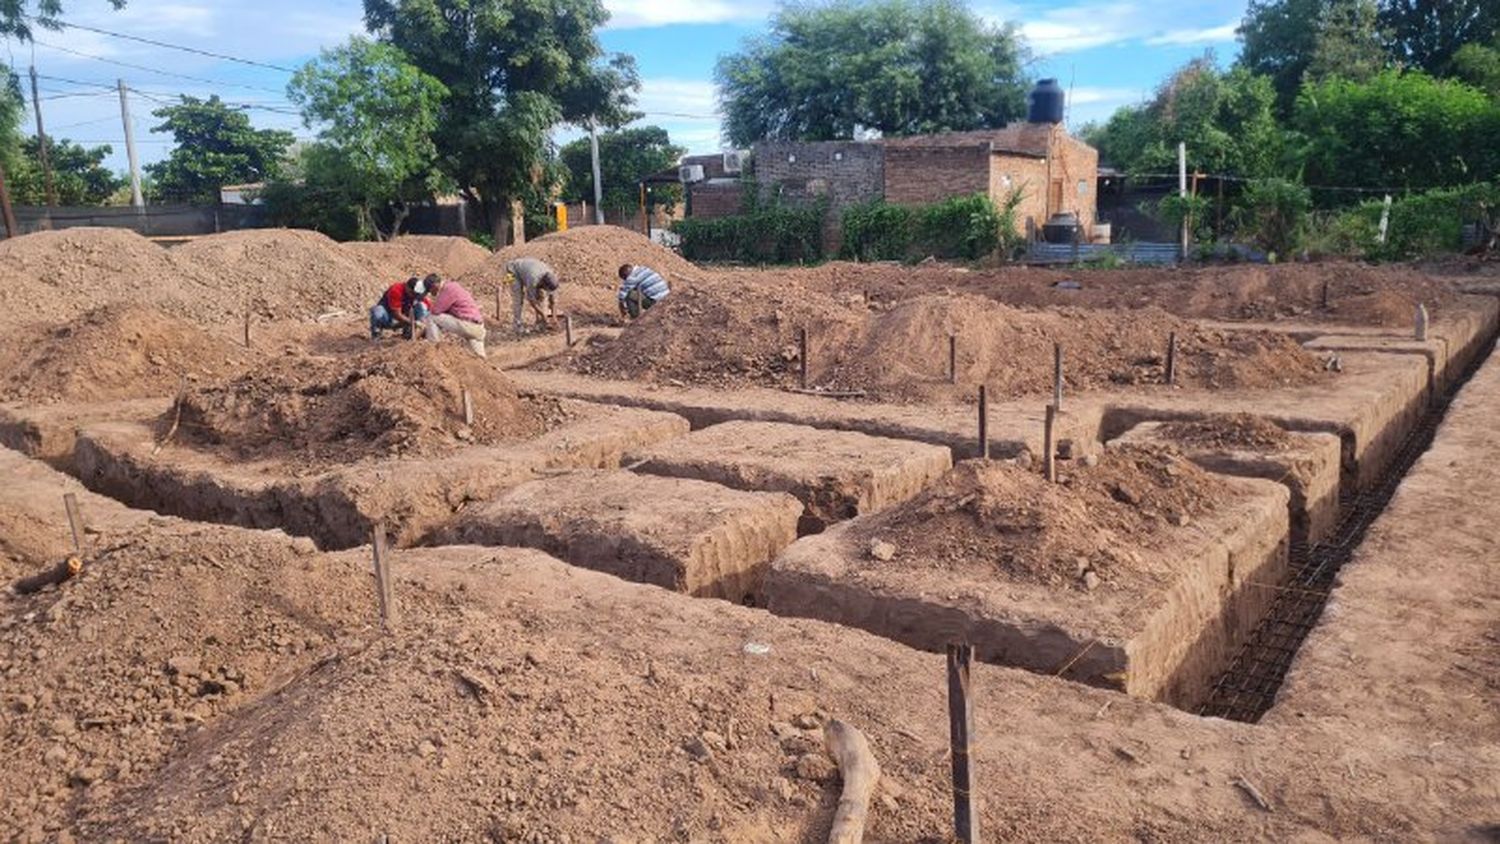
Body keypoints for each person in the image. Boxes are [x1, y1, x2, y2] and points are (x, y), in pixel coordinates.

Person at [423, 273, 488, 358]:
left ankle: (434, 348)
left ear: (434, 285)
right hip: (478, 328)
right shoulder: (453, 286)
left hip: (469, 325)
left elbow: (436, 311)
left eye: (429, 290)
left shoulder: (448, 289)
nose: (430, 293)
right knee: (481, 359)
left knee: (431, 317)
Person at [507, 257, 560, 334]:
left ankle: (539, 323)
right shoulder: (533, 279)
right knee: (518, 297)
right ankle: (517, 325)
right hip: (511, 271)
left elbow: (553, 300)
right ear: (543, 284)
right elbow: (531, 301)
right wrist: (543, 315)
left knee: (541, 295)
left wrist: (554, 317)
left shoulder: (551, 278)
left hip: (527, 270)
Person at [369, 276, 430, 341]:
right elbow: (397, 314)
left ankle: (411, 333)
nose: (414, 296)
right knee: (377, 311)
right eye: (412, 293)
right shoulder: (396, 290)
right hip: (389, 318)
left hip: (405, 318)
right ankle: (376, 334)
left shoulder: (417, 294)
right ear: (407, 287)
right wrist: (413, 322)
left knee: (421, 306)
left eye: (416, 294)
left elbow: (429, 307)